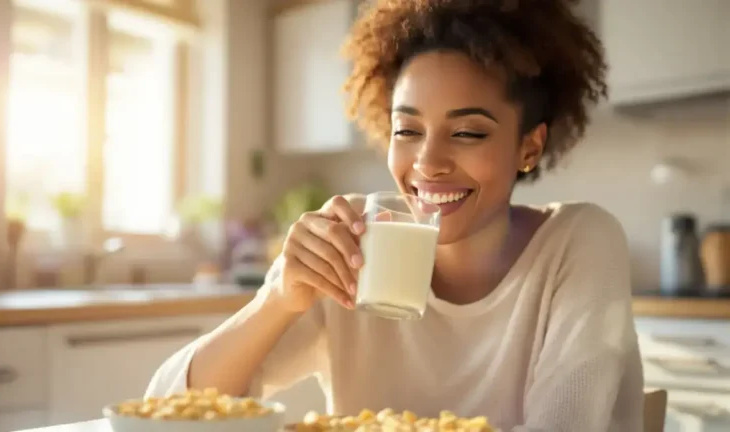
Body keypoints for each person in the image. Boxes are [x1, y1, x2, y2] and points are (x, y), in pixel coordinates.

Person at [145, 0, 644, 430]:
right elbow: (161, 412)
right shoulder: (352, 240)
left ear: (528, 147)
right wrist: (279, 299)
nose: (428, 162)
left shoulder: (578, 242)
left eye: (468, 132)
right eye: (407, 131)